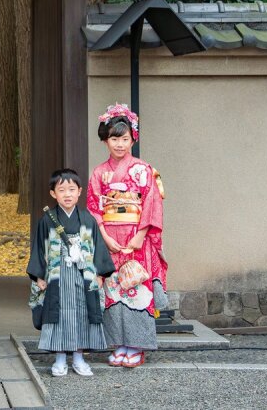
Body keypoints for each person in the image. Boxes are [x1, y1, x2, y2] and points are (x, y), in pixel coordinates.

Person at [87, 103, 165, 368]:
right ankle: (119, 344)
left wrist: (141, 235)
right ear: (105, 140)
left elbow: (152, 203)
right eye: (114, 139)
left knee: (136, 287)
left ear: (133, 139)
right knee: (114, 290)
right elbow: (93, 207)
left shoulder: (143, 169)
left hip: (135, 237)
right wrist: (104, 237)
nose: (119, 144)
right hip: (110, 236)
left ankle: (137, 346)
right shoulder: (99, 173)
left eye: (124, 139)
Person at [28, 169, 115, 377]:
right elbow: (39, 248)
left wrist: (100, 274)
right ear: (53, 194)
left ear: (79, 192)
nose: (67, 194)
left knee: (82, 314)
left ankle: (79, 357)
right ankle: (59, 359)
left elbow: (98, 248)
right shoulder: (47, 221)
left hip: (82, 277)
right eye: (61, 190)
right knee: (58, 316)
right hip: (57, 277)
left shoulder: (87, 219)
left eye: (71, 189)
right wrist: (39, 275)